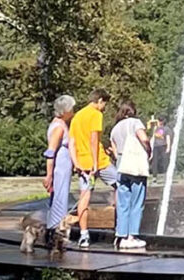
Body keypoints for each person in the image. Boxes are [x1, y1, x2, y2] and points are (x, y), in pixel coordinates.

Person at [36, 95, 79, 253]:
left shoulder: (59, 124)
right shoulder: (59, 127)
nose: (73, 112)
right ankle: (55, 237)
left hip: (62, 168)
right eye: (71, 109)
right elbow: (50, 152)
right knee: (59, 202)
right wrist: (49, 175)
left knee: (58, 200)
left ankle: (54, 237)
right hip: (59, 169)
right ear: (65, 111)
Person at [67, 90, 110, 247]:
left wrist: (76, 163)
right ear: (99, 101)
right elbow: (93, 139)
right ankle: (122, 231)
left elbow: (71, 142)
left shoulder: (77, 116)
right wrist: (95, 163)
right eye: (104, 103)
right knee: (121, 184)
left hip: (82, 163)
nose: (105, 107)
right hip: (99, 162)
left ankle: (84, 235)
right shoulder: (96, 114)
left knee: (84, 197)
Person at [109, 101, 151, 249]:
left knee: (122, 202)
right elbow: (144, 138)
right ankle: (132, 236)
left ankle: (120, 235)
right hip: (134, 164)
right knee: (137, 200)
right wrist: (148, 151)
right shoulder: (135, 122)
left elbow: (114, 150)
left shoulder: (115, 128)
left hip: (121, 165)